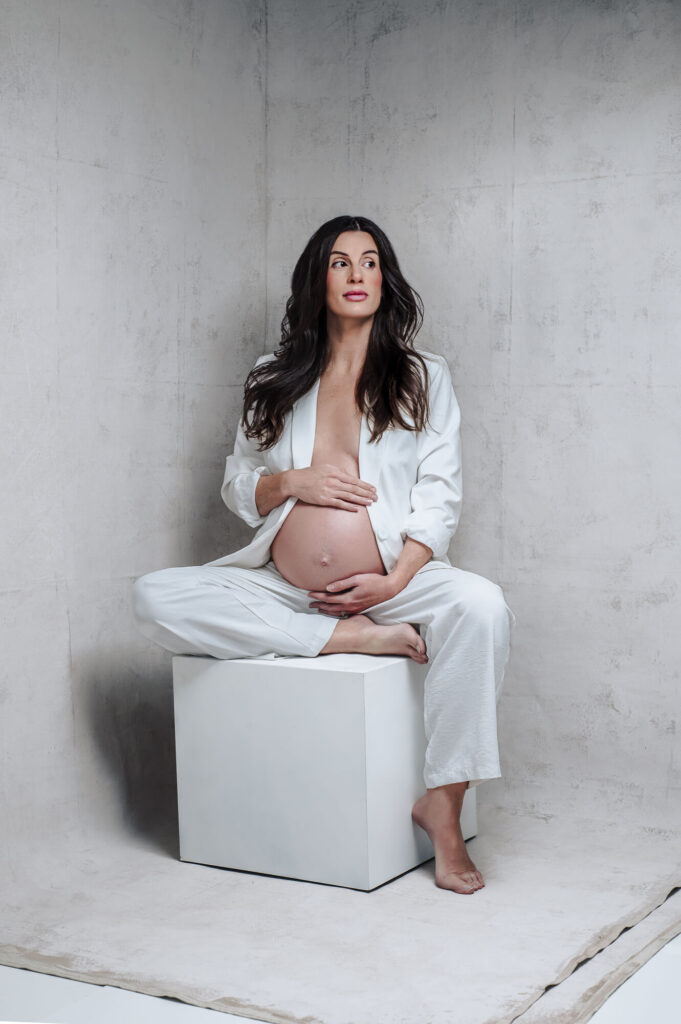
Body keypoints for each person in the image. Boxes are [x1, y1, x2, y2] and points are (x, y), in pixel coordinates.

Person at [132, 214, 515, 895]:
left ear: (384, 278)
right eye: (340, 262)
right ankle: (348, 640)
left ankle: (445, 806)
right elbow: (237, 484)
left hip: (395, 580)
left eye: (369, 262)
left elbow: (440, 492)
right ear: (318, 278)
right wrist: (291, 483)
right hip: (284, 585)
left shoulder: (424, 375)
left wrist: (392, 578)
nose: (357, 275)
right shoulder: (273, 375)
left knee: (482, 606)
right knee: (154, 595)